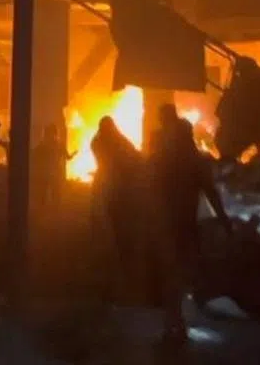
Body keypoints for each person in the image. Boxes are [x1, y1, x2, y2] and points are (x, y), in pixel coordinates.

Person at [147, 117, 232, 351]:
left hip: (170, 227)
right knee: (179, 274)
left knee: (172, 276)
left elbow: (150, 192)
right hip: (183, 227)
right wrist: (224, 220)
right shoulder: (194, 161)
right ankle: (176, 323)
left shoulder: (166, 160)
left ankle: (174, 324)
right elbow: (211, 192)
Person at [90, 115, 145, 297]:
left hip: (108, 182)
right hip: (115, 183)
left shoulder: (98, 141)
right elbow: (132, 156)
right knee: (115, 218)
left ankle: (111, 256)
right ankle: (117, 259)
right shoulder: (115, 141)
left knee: (107, 216)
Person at [34, 122, 74, 209]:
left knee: (53, 191)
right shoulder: (46, 145)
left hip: (52, 171)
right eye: (50, 133)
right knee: (46, 191)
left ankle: (51, 208)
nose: (51, 135)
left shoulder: (55, 145)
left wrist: (72, 155)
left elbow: (67, 157)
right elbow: (68, 157)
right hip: (48, 171)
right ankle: (45, 208)